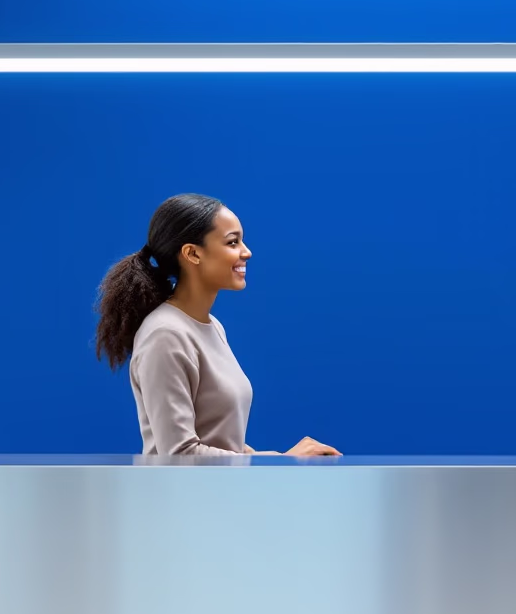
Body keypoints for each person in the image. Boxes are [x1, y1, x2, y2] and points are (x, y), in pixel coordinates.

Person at [95, 193, 340, 457]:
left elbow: (222, 443)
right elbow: (180, 455)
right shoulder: (165, 334)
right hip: (181, 497)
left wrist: (280, 460)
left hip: (218, 494)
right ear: (193, 253)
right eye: (232, 242)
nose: (246, 252)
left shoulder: (211, 326)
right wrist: (281, 463)